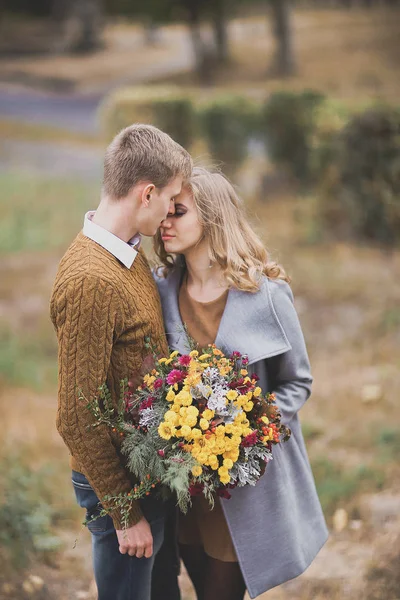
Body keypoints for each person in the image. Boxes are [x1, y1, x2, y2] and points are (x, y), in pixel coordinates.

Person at [153, 166, 329, 600]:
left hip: (244, 489)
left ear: (212, 216)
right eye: (164, 212)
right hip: (183, 486)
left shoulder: (266, 294)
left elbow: (298, 382)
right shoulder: (159, 290)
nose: (165, 222)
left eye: (178, 211)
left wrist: (248, 429)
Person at [50, 124, 192, 600]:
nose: (173, 209)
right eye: (171, 197)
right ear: (146, 193)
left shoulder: (126, 257)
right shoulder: (91, 280)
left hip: (146, 473)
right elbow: (75, 413)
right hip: (117, 485)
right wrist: (125, 512)